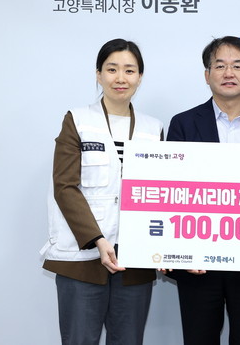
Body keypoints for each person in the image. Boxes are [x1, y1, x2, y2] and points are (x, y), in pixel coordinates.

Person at [166, 36, 240, 345]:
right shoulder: (183, 125)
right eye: (220, 66)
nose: (229, 73)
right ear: (207, 75)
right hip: (198, 264)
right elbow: (170, 192)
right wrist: (173, 252)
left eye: (237, 66)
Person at [40, 39, 163, 345]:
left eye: (129, 70)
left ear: (140, 77)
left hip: (134, 262)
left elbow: (162, 193)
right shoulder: (78, 120)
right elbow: (64, 186)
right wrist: (98, 239)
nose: (120, 78)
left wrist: (165, 245)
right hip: (83, 258)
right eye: (112, 69)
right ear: (98, 74)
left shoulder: (154, 129)